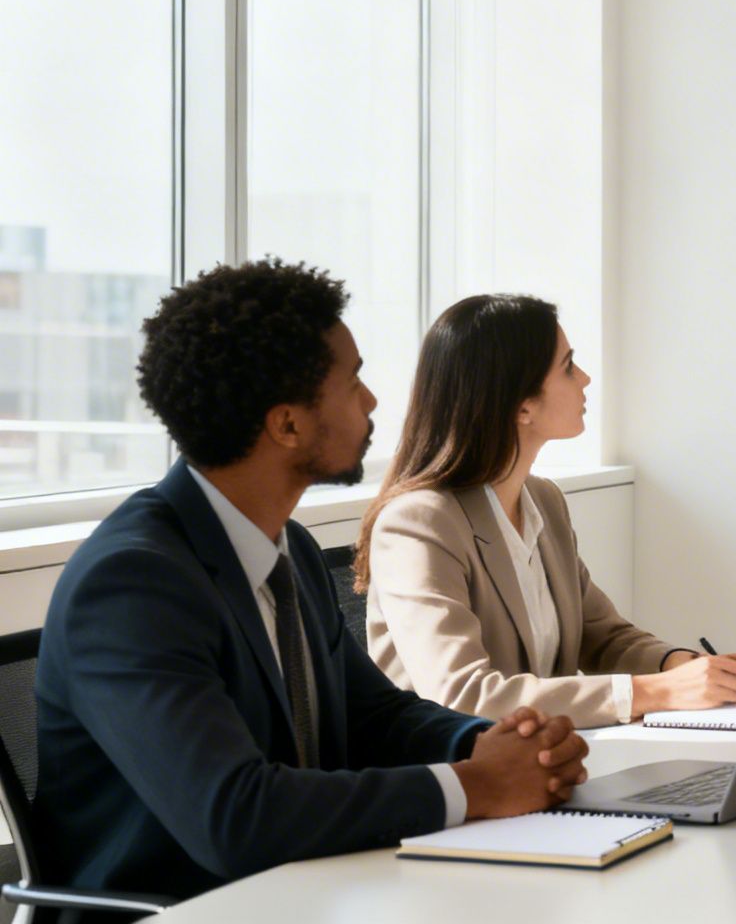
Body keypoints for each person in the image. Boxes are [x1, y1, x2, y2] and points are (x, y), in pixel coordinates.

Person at [34, 260, 590, 912]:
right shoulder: (132, 584)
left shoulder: (286, 546)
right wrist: (474, 786)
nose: (373, 400)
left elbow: (373, 715)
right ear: (288, 424)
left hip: (308, 892)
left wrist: (495, 747)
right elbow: (235, 817)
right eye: (353, 380)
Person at [358, 294, 736, 726]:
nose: (584, 378)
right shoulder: (417, 524)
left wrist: (681, 666)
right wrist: (655, 692)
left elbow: (601, 635)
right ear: (521, 405)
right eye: (568, 365)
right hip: (458, 778)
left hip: (545, 763)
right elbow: (462, 694)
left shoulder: (543, 500)